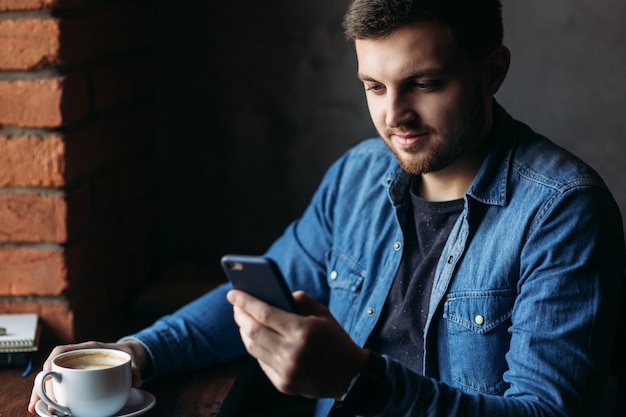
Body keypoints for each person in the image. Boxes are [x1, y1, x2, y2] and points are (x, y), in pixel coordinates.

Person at [29, 0, 625, 416]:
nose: (395, 116)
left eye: (424, 83)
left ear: (491, 71)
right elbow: (263, 290)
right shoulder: (359, 177)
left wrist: (357, 382)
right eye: (374, 86)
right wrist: (139, 352)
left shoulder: (563, 213)